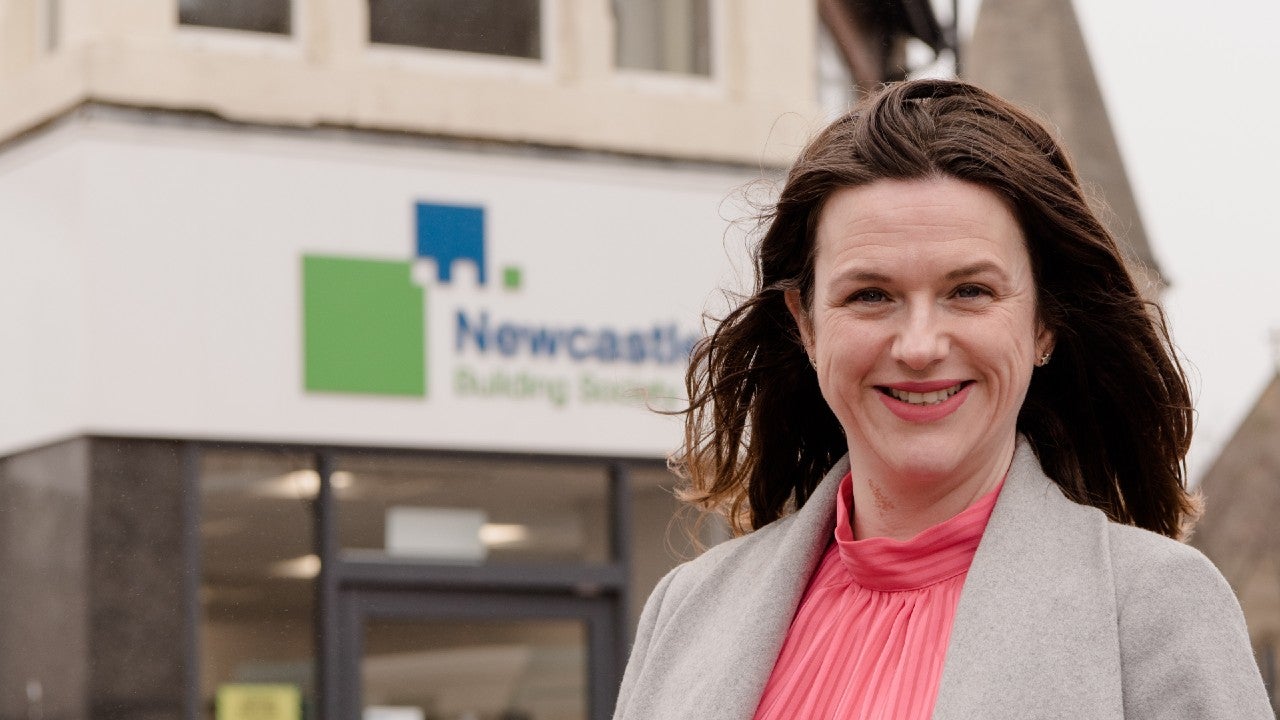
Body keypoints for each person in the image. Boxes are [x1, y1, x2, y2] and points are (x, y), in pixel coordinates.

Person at [612, 79, 1273, 719]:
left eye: (970, 291)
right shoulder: (687, 611)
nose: (920, 345)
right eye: (870, 294)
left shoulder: (1156, 605)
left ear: (1043, 322)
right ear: (806, 323)